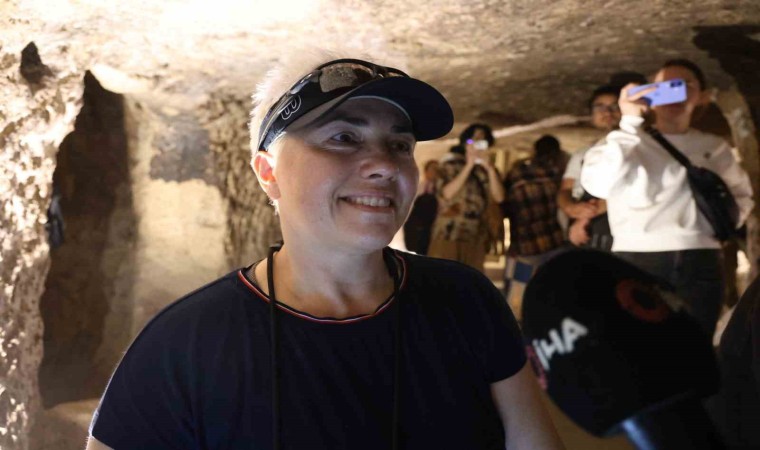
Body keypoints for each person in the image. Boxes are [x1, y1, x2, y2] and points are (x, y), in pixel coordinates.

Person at [86, 52, 564, 450]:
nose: (384, 165)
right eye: (344, 138)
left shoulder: (466, 299)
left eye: (399, 145)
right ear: (268, 173)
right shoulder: (185, 345)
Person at [581, 59, 754, 338]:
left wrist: (717, 230)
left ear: (702, 96)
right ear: (651, 92)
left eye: (685, 85)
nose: (676, 92)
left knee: (696, 345)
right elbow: (597, 184)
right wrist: (629, 123)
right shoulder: (626, 141)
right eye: (666, 86)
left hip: (701, 258)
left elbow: (741, 196)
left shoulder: (713, 147)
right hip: (638, 258)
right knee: (639, 345)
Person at [501, 135, 568, 317]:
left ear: (534, 151)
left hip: (524, 245)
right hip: (554, 242)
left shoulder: (516, 173)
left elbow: (503, 204)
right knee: (551, 294)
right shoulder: (557, 173)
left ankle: (514, 329)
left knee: (516, 297)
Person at [428, 125, 505, 272]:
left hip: (477, 236)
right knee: (443, 276)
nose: (478, 143)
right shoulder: (450, 165)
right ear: (465, 143)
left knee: (471, 278)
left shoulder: (488, 170)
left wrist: (489, 168)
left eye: (482, 140)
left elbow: (499, 197)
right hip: (449, 233)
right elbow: (446, 194)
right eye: (474, 139)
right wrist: (469, 165)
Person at [557, 85, 621, 250]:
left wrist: (584, 217)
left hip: (613, 229)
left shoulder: (633, 148)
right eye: (600, 107)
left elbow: (625, 190)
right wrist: (570, 208)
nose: (607, 112)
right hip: (585, 230)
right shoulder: (582, 154)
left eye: (614, 106)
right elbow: (565, 189)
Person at [402, 159, 439, 255]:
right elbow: (409, 205)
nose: (434, 172)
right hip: (415, 227)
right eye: (432, 169)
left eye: (437, 170)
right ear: (426, 171)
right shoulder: (419, 187)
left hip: (430, 229)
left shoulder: (439, 189)